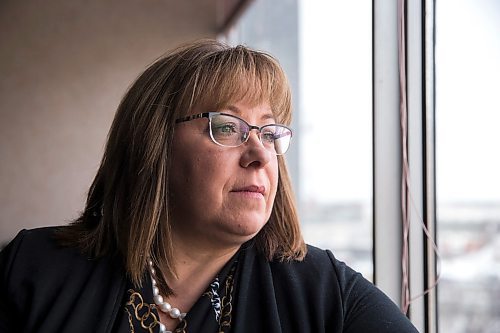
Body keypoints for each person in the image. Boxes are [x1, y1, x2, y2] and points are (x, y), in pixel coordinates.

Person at [0, 39, 418, 333]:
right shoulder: (28, 271)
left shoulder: (326, 295)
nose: (260, 154)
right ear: (154, 145)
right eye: (226, 127)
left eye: (270, 133)